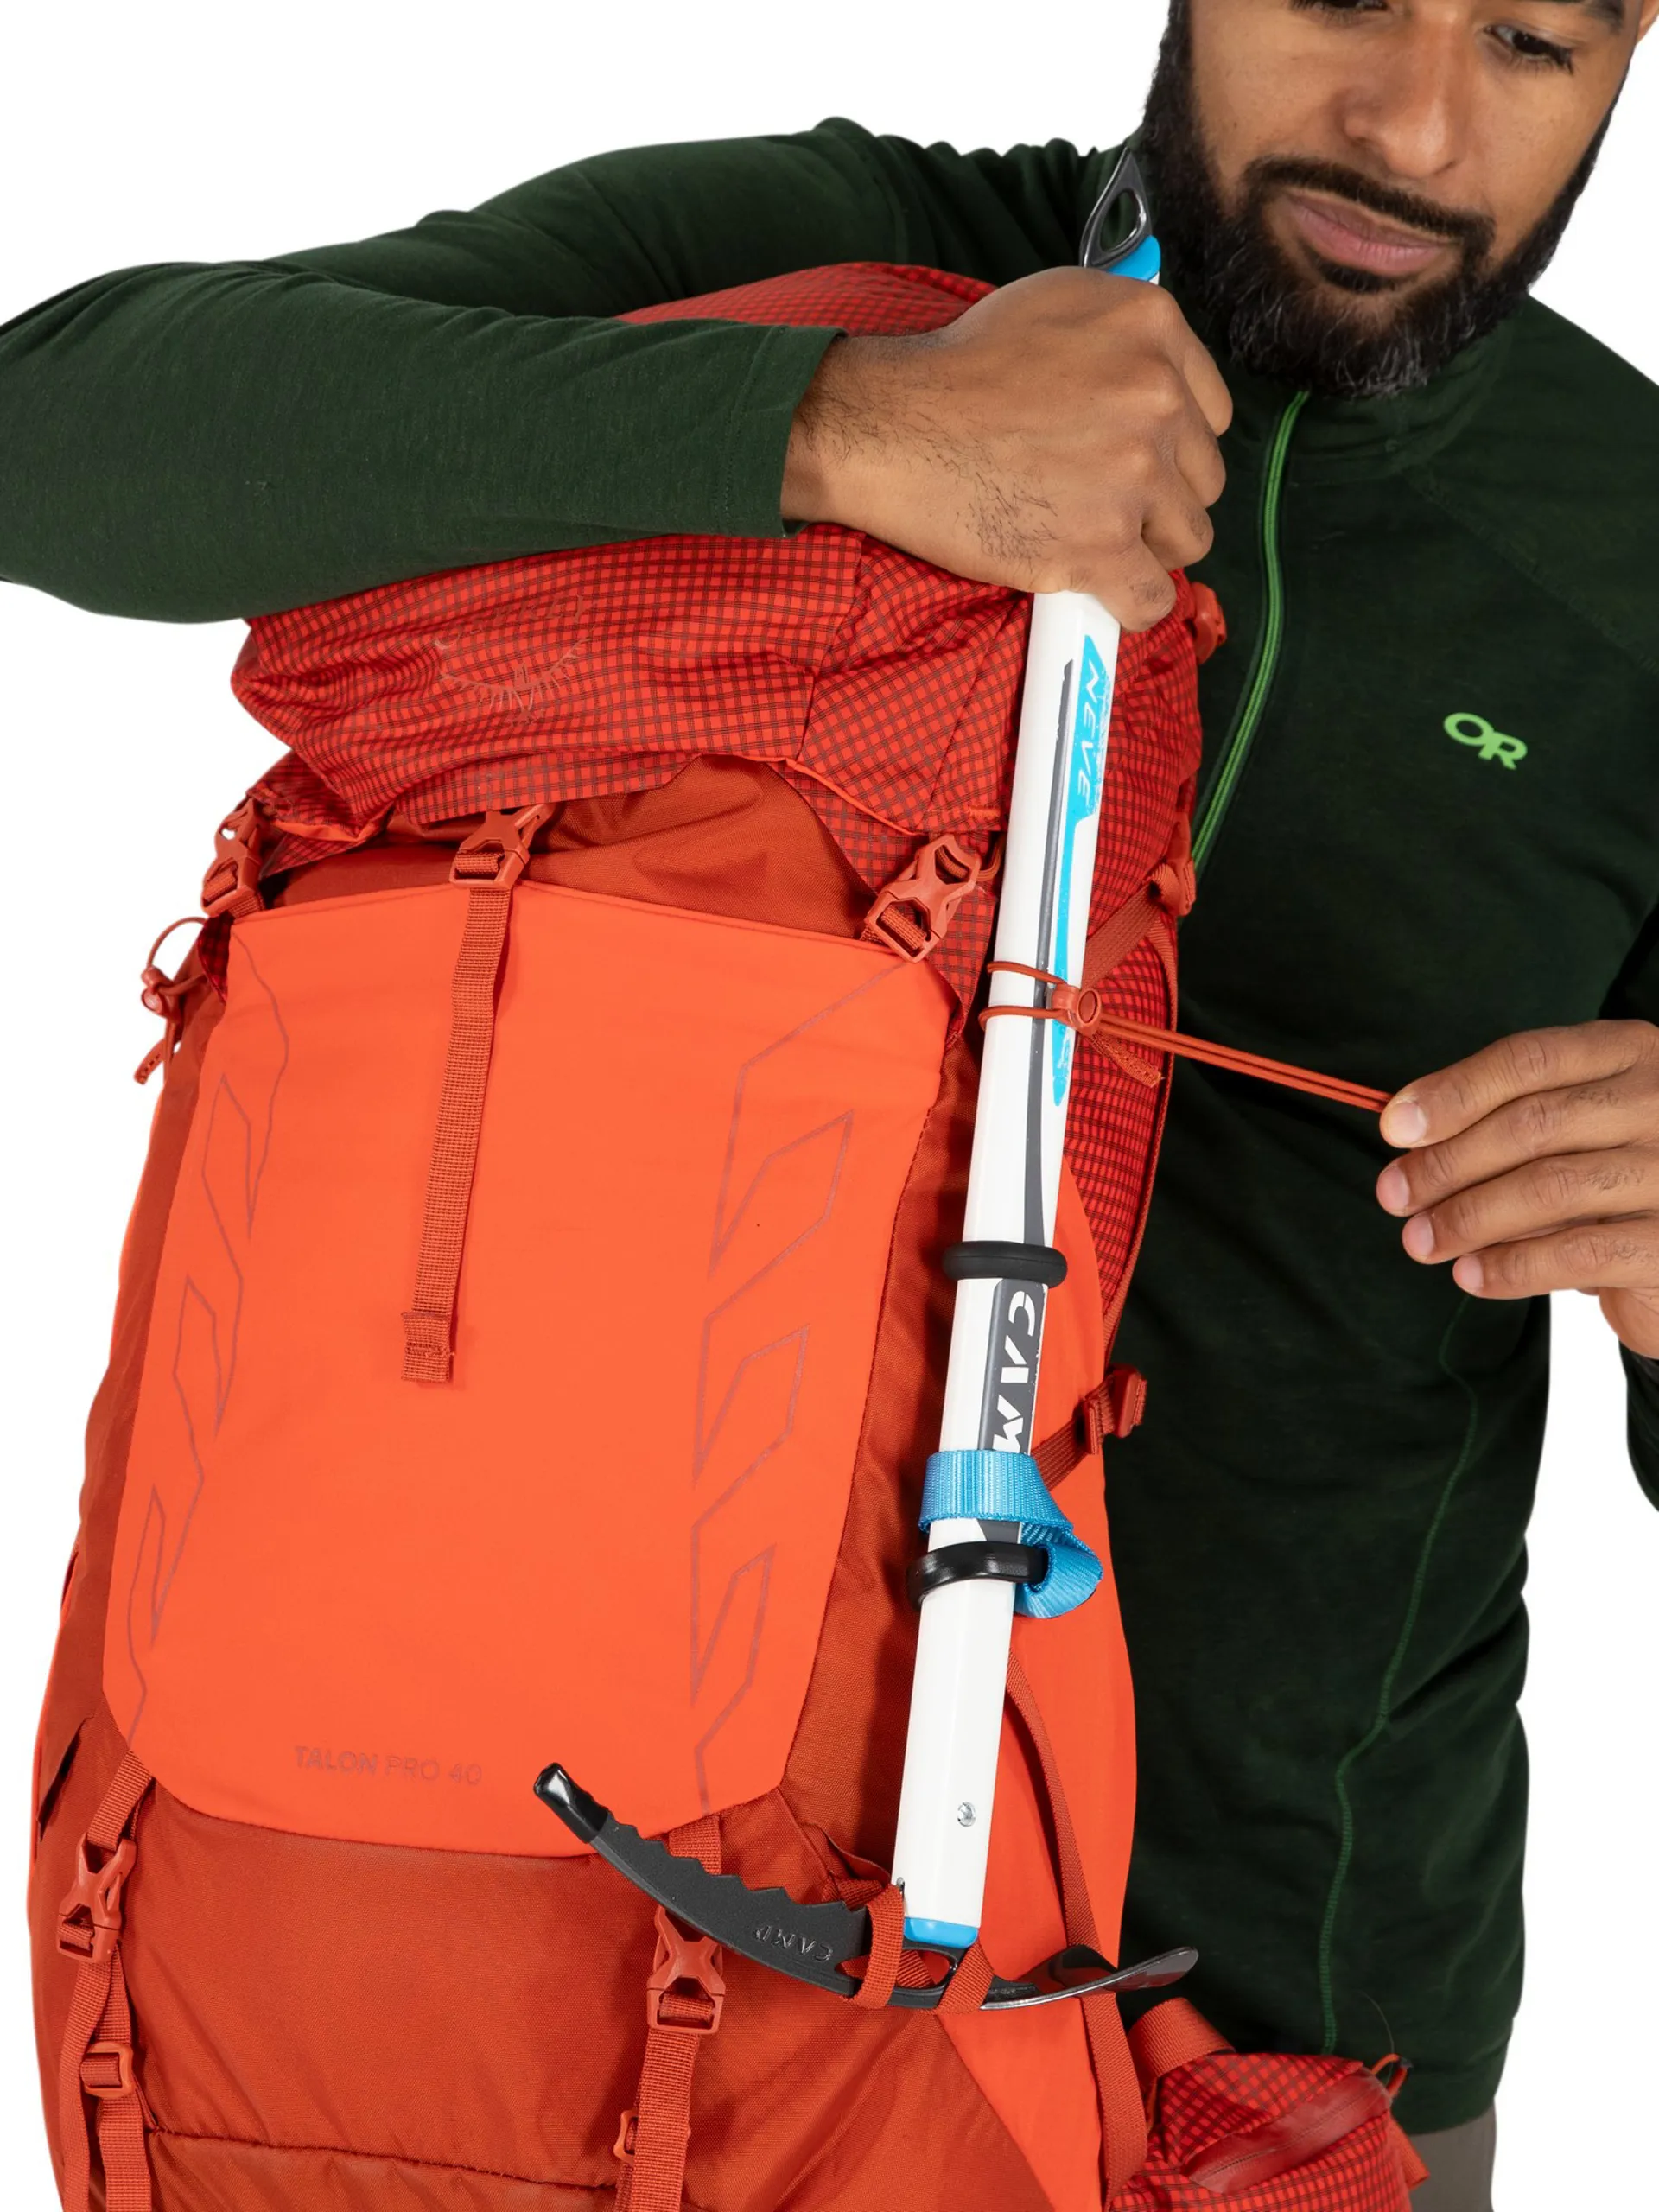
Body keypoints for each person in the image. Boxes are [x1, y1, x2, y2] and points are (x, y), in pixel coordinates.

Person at [5, 3, 1659, 2205]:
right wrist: (847, 423)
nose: (1417, 127)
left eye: (1534, 39)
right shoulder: (851, 259)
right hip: (605, 1975)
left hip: (1294, 2028)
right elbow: (57, 427)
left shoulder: (1634, 550)